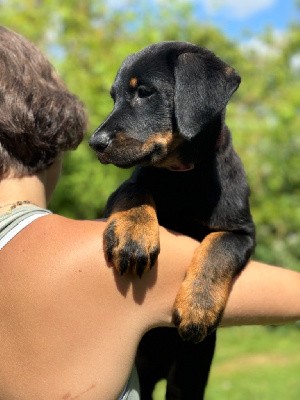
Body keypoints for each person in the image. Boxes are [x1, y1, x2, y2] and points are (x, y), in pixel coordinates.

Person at [0, 25, 299, 400]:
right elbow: (121, 205)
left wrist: (209, 279)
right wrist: (136, 206)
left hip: (191, 345)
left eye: (142, 94)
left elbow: (239, 236)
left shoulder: (227, 186)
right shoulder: (143, 186)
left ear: (197, 97)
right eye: (119, 99)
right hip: (134, 343)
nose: (102, 134)